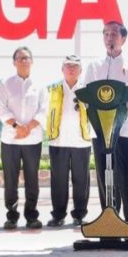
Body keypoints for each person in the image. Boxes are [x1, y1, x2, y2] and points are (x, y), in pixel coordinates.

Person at [82, 20, 128, 225]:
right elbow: (86, 93)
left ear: (123, 38)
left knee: (126, 175)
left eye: (114, 34)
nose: (110, 37)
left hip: (124, 129)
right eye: (106, 34)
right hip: (100, 128)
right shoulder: (94, 65)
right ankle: (109, 220)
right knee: (104, 176)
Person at [0, 47, 48, 230]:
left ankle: (31, 216)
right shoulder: (5, 83)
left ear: (32, 61)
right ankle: (11, 217)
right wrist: (17, 127)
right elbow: (2, 110)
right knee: (10, 180)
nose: (24, 61)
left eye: (27, 58)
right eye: (20, 58)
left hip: (33, 139)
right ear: (14, 62)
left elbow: (44, 110)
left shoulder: (40, 85)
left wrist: (28, 128)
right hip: (10, 139)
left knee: (32, 179)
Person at [46, 55, 93, 227]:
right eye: (68, 66)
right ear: (62, 69)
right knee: (58, 181)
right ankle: (58, 215)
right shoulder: (52, 89)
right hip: (58, 141)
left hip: (81, 141)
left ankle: (79, 215)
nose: (71, 69)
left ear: (80, 71)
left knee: (81, 181)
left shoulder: (87, 90)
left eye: (75, 66)